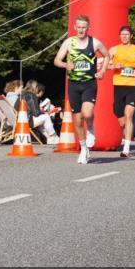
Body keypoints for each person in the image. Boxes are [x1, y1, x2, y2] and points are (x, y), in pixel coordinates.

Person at [53, 15, 109, 164]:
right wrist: (65, 65)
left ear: (88, 28)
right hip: (73, 84)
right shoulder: (68, 43)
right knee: (77, 120)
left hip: (89, 83)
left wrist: (102, 71)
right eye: (79, 27)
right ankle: (84, 148)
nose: (81, 30)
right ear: (74, 27)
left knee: (87, 113)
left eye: (84, 27)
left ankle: (91, 129)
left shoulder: (94, 42)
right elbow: (56, 60)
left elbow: (107, 55)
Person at [108, 25, 135, 158]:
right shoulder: (114, 50)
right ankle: (126, 136)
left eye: (127, 35)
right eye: (122, 35)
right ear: (120, 36)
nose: (124, 37)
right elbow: (105, 65)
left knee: (129, 115)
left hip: (132, 86)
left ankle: (126, 148)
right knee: (121, 119)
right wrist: (114, 66)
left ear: (131, 36)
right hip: (118, 85)